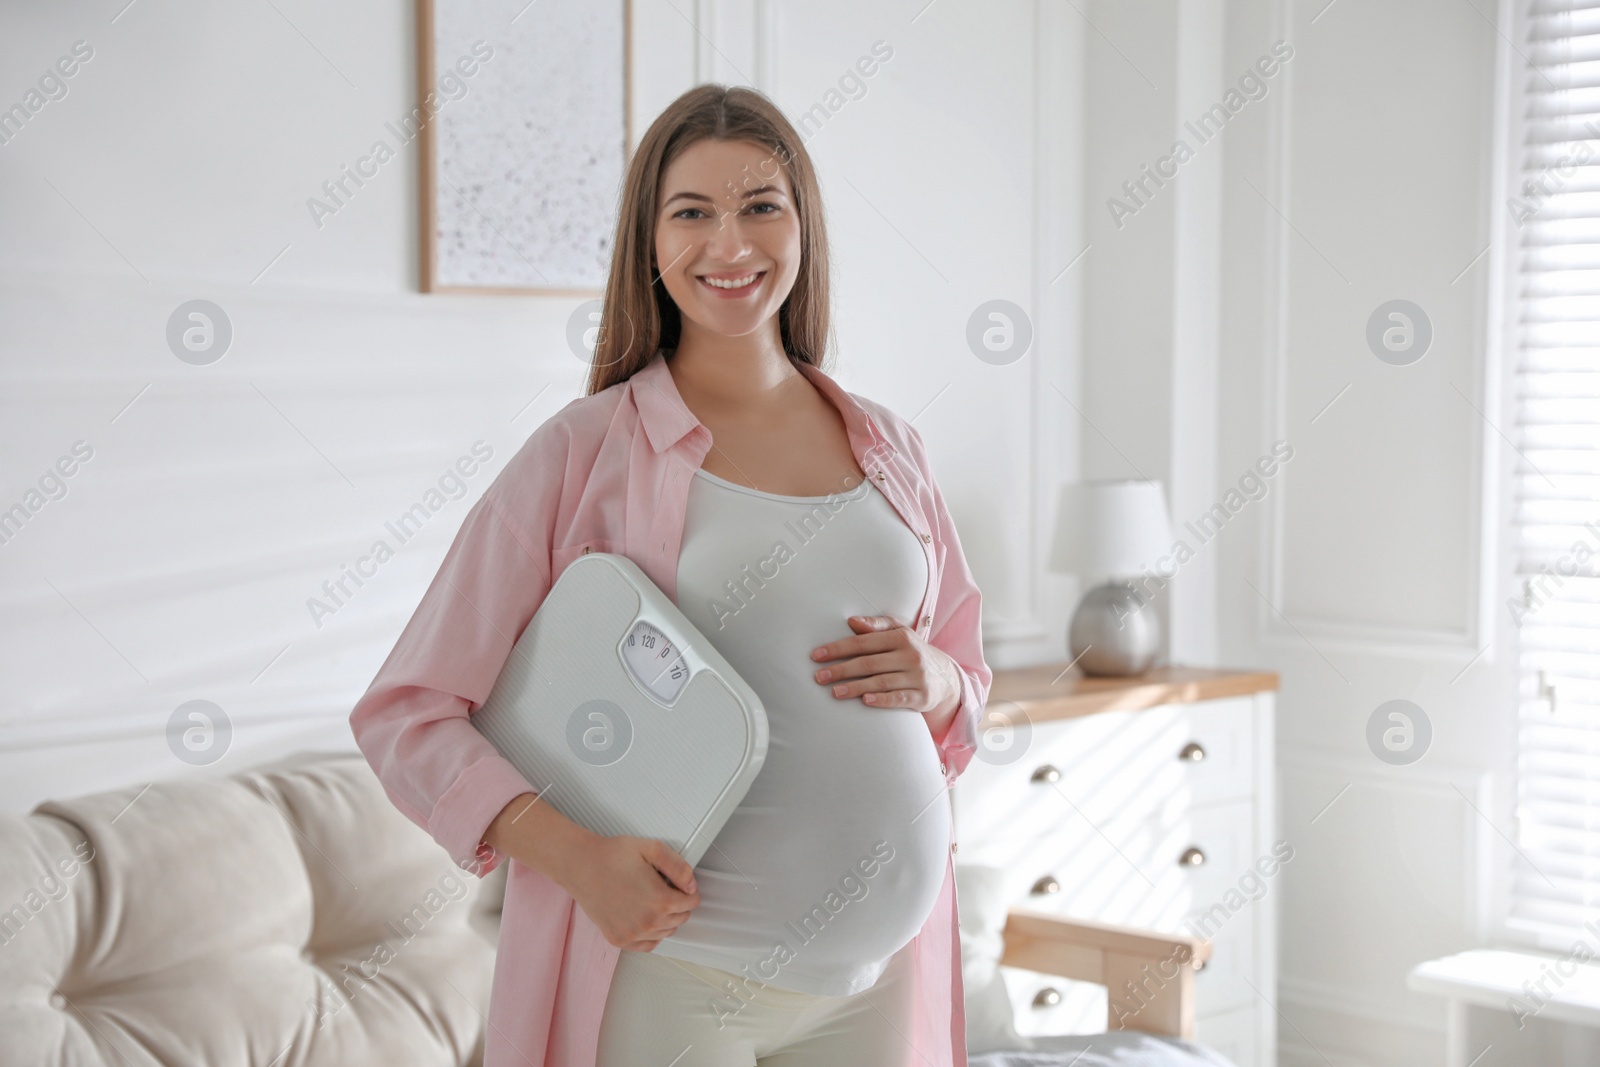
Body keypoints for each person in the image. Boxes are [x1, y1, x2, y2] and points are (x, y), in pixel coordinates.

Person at [349, 83, 991, 1067]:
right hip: (680, 980)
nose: (729, 244)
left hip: (878, 975)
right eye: (691, 213)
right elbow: (407, 711)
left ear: (803, 226)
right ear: (648, 245)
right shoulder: (583, 452)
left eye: (760, 206)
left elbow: (960, 667)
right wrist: (579, 860)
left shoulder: (889, 444)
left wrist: (940, 680)